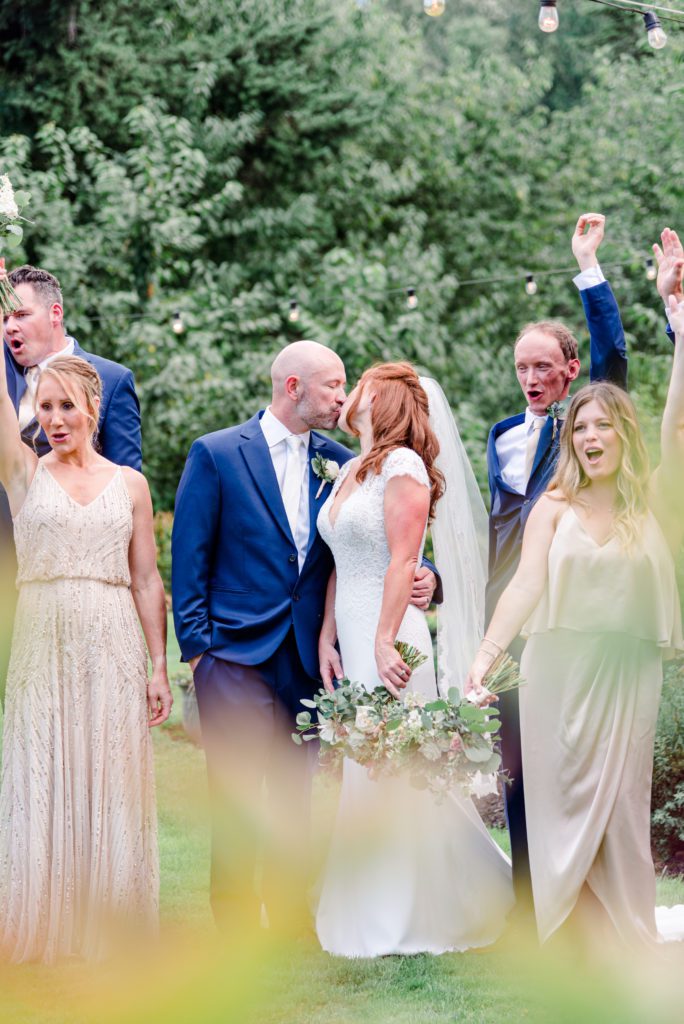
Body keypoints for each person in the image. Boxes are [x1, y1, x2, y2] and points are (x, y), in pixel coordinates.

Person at [171, 341, 439, 937]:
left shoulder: (347, 462)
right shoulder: (216, 453)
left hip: (307, 657)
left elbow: (383, 544)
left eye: (346, 386)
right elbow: (188, 557)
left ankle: (294, 917)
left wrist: (429, 577)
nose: (342, 397)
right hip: (232, 657)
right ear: (293, 387)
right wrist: (199, 651)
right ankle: (238, 923)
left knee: (297, 794)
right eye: (332, 386)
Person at [467, 293, 684, 950]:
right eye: (580, 428)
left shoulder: (651, 503)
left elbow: (676, 427)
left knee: (620, 809)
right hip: (553, 672)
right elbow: (525, 584)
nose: (590, 438)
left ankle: (625, 931)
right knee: (556, 805)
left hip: (626, 674)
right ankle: (561, 935)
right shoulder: (552, 507)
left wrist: (680, 332)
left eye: (603, 427)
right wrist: (486, 656)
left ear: (624, 435)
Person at [315, 363, 513, 958]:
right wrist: (328, 636)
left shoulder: (403, 466)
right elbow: (341, 561)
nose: (350, 395)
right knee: (366, 768)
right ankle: (372, 901)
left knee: (397, 773)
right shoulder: (352, 469)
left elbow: (402, 562)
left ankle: (413, 912)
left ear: (384, 401)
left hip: (392, 636)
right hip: (350, 630)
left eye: (361, 387)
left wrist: (380, 640)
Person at [0, 350, 172, 964]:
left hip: (111, 638)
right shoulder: (23, 472)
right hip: (42, 639)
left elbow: (148, 581)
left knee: (108, 774)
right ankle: (42, 919)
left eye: (66, 405)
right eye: (44, 407)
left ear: (94, 409)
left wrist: (158, 665)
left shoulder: (130, 484)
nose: (54, 418)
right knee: (41, 769)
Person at [486, 213, 628, 914]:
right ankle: (526, 901)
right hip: (506, 619)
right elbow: (498, 531)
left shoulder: (585, 422)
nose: (532, 377)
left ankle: (586, 896)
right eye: (522, 367)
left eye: (544, 366)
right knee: (514, 763)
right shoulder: (502, 435)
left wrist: (587, 267)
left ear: (569, 372)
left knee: (571, 756)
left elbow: (614, 360)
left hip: (567, 616)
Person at [1, 264, 142, 698]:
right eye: (3, 318)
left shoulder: (112, 379)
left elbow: (126, 484)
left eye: (20, 315)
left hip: (73, 588)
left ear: (55, 313)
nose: (9, 327)